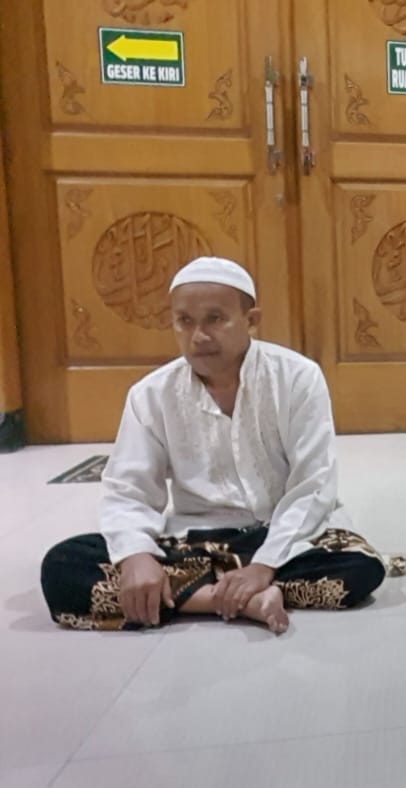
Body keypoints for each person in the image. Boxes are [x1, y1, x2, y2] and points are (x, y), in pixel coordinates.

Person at [39, 257, 385, 635]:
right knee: (64, 566)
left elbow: (313, 485)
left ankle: (190, 596)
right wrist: (136, 555)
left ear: (251, 320)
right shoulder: (150, 394)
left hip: (280, 536)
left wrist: (264, 564)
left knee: (359, 567)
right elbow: (127, 490)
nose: (199, 336)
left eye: (215, 319)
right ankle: (245, 601)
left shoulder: (297, 378)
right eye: (184, 321)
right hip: (192, 545)